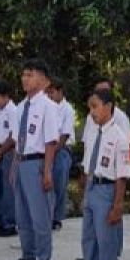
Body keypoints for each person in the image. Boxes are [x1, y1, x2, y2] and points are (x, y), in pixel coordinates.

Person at [5, 59, 59, 260]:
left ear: (44, 80)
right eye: (24, 74)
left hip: (37, 163)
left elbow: (50, 142)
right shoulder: (20, 108)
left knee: (40, 216)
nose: (25, 78)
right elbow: (18, 140)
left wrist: (47, 172)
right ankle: (28, 256)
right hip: (21, 162)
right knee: (22, 214)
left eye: (31, 74)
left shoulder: (48, 107)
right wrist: (13, 167)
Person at [77, 88, 130, 260]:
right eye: (90, 107)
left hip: (107, 189)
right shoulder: (93, 132)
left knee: (105, 242)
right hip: (92, 186)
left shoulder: (119, 136)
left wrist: (118, 205)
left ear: (108, 107)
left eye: (95, 107)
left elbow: (122, 175)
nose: (92, 112)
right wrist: (85, 190)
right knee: (89, 240)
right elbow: (87, 165)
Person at [45, 78, 76, 231]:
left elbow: (64, 135)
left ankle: (57, 218)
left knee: (59, 183)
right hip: (48, 149)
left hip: (61, 149)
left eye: (51, 92)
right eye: (47, 92)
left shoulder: (67, 109)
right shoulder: (47, 107)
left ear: (60, 92)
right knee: (48, 184)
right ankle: (48, 215)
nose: (49, 95)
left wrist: (53, 151)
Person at [0, 80, 19, 237]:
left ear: (7, 96)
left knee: (9, 189)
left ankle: (10, 222)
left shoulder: (13, 111)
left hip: (9, 152)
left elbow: (14, 136)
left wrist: (1, 151)